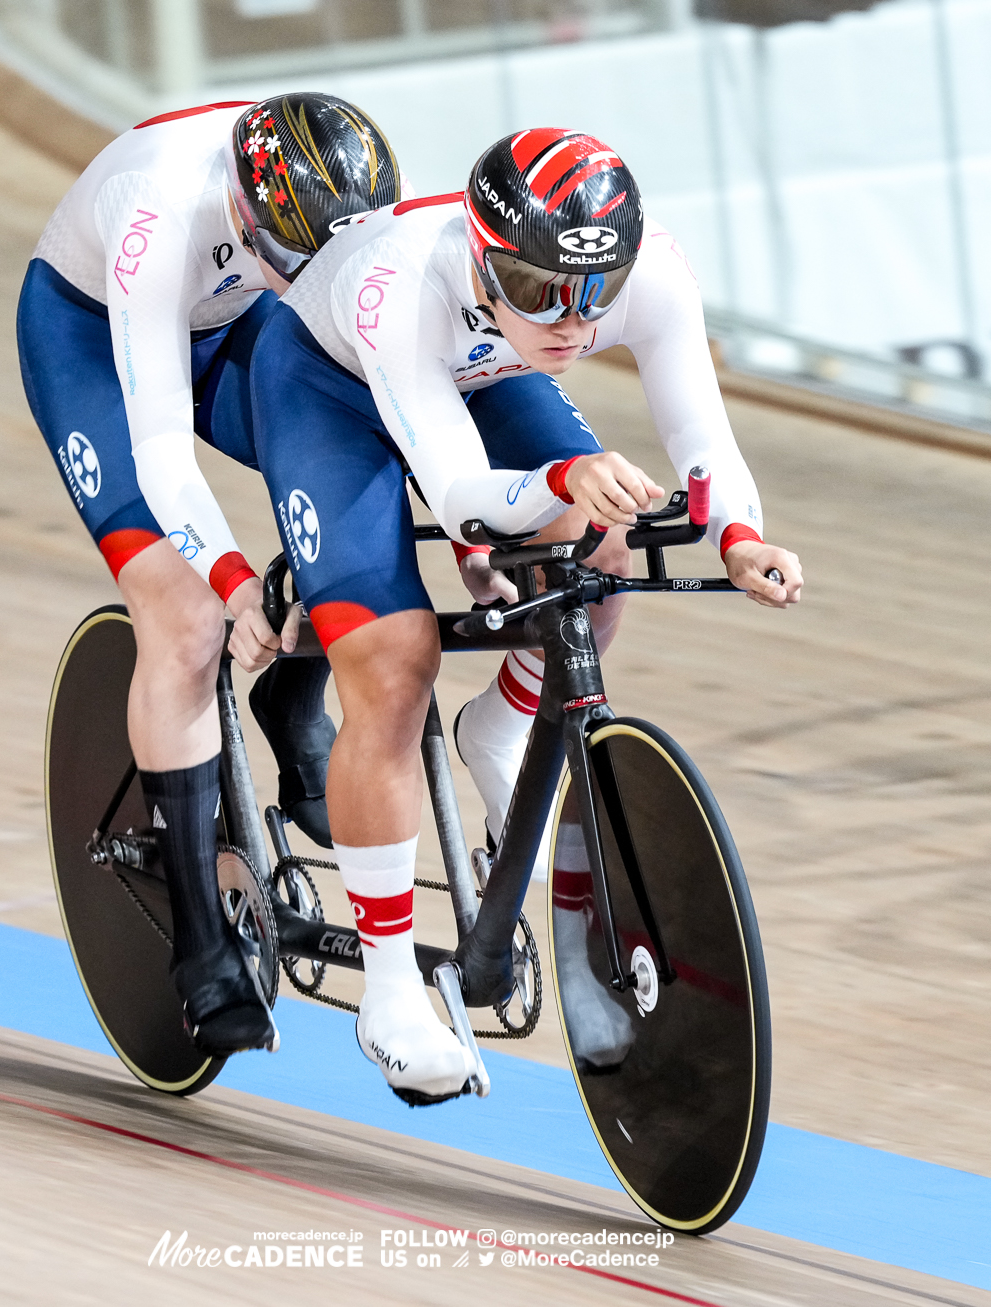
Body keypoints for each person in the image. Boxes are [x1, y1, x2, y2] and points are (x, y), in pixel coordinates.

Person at [247, 129, 804, 1103]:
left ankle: (498, 724)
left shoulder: (643, 272)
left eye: (592, 295)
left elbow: (697, 425)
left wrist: (739, 536)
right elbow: (461, 492)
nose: (570, 320)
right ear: (478, 252)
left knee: (603, 556)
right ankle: (389, 994)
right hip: (329, 385)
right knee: (392, 660)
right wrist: (563, 476)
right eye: (536, 285)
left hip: (481, 369)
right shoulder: (404, 284)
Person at [17, 93, 402, 1056]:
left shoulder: (322, 198)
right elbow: (161, 455)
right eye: (288, 260)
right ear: (240, 207)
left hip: (225, 316)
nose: (301, 282)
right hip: (95, 338)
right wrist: (232, 582)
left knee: (349, 475)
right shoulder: (157, 215)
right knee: (185, 625)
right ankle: (199, 942)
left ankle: (293, 694)